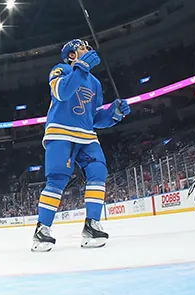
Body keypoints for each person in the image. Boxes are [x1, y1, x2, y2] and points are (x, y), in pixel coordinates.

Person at [32, 39, 130, 252]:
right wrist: (82, 67)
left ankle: (92, 225)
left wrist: (114, 114)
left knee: (98, 172)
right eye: (83, 48)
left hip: (86, 134)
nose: (88, 50)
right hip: (60, 131)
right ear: (71, 54)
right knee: (58, 179)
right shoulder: (60, 70)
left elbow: (96, 117)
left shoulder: (95, 83)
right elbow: (62, 93)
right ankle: (42, 229)